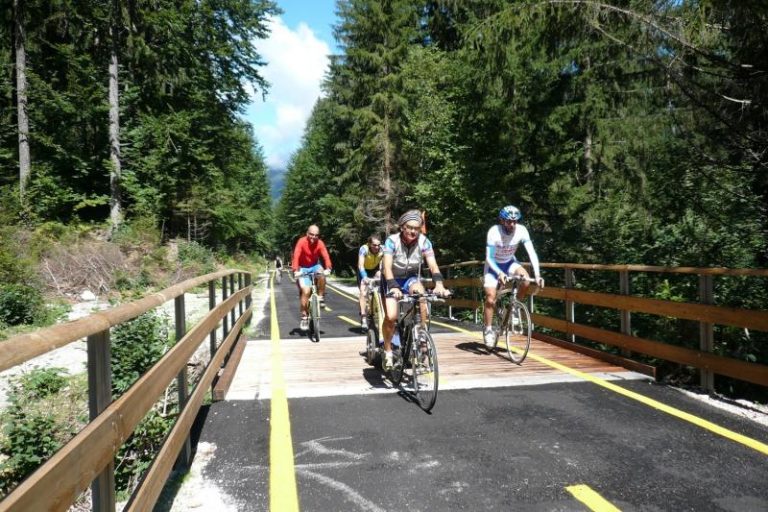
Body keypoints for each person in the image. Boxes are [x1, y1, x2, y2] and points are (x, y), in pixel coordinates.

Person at [381, 210, 449, 370]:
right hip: (391, 279)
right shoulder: (392, 241)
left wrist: (439, 284)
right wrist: (394, 287)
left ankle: (421, 338)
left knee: (421, 295)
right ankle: (388, 350)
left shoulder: (425, 242)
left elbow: (433, 265)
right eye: (409, 227)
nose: (413, 231)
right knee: (391, 316)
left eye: (416, 228)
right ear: (402, 227)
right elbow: (387, 268)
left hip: (411, 277)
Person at [482, 205, 545, 348]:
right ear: (502, 220)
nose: (512, 224)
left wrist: (538, 274)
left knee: (526, 280)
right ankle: (488, 330)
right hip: (493, 266)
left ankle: (515, 308)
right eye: (509, 221)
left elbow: (532, 253)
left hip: (510, 262)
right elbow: (489, 258)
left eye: (515, 221)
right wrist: (499, 273)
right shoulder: (494, 232)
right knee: (491, 298)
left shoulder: (521, 230)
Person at [291, 224, 333, 331]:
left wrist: (328, 268)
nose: (313, 237)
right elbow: (296, 255)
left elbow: (325, 255)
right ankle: (304, 317)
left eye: (316, 235)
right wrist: (295, 270)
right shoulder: (301, 241)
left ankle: (321, 297)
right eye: (311, 234)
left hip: (314, 266)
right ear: (307, 233)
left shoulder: (320, 243)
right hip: (302, 268)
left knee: (321, 273)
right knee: (306, 291)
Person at [357, 235, 383, 329]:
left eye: (378, 245)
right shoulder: (364, 249)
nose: (376, 247)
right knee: (363, 292)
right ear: (369, 244)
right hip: (364, 270)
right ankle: (363, 317)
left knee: (380, 276)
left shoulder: (382, 250)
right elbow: (360, 265)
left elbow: (383, 266)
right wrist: (364, 277)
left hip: (375, 270)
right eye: (374, 245)